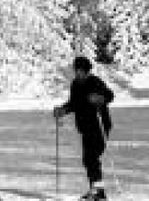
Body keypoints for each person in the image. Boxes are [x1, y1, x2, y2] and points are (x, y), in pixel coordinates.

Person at [52, 56, 114, 201]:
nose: (78, 74)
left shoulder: (95, 82)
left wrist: (100, 99)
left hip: (100, 126)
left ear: (87, 71)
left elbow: (110, 95)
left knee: (91, 158)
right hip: (85, 127)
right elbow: (74, 103)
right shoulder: (75, 84)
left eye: (81, 71)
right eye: (77, 71)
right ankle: (97, 191)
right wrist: (62, 110)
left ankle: (98, 193)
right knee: (88, 160)